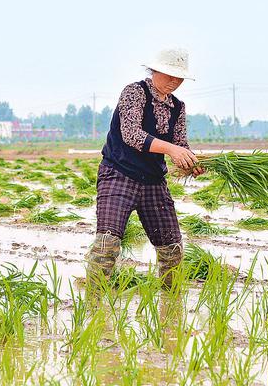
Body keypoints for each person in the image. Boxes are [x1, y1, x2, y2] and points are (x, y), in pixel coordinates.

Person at [85, 48, 202, 289]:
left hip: (153, 181)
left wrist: (190, 162)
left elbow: (179, 145)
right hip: (119, 173)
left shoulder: (178, 108)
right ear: (155, 70)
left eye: (179, 78)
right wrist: (172, 150)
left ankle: (171, 306)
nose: (174, 81)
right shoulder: (134, 92)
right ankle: (93, 307)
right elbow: (132, 135)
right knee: (107, 244)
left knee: (172, 249)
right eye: (169, 74)